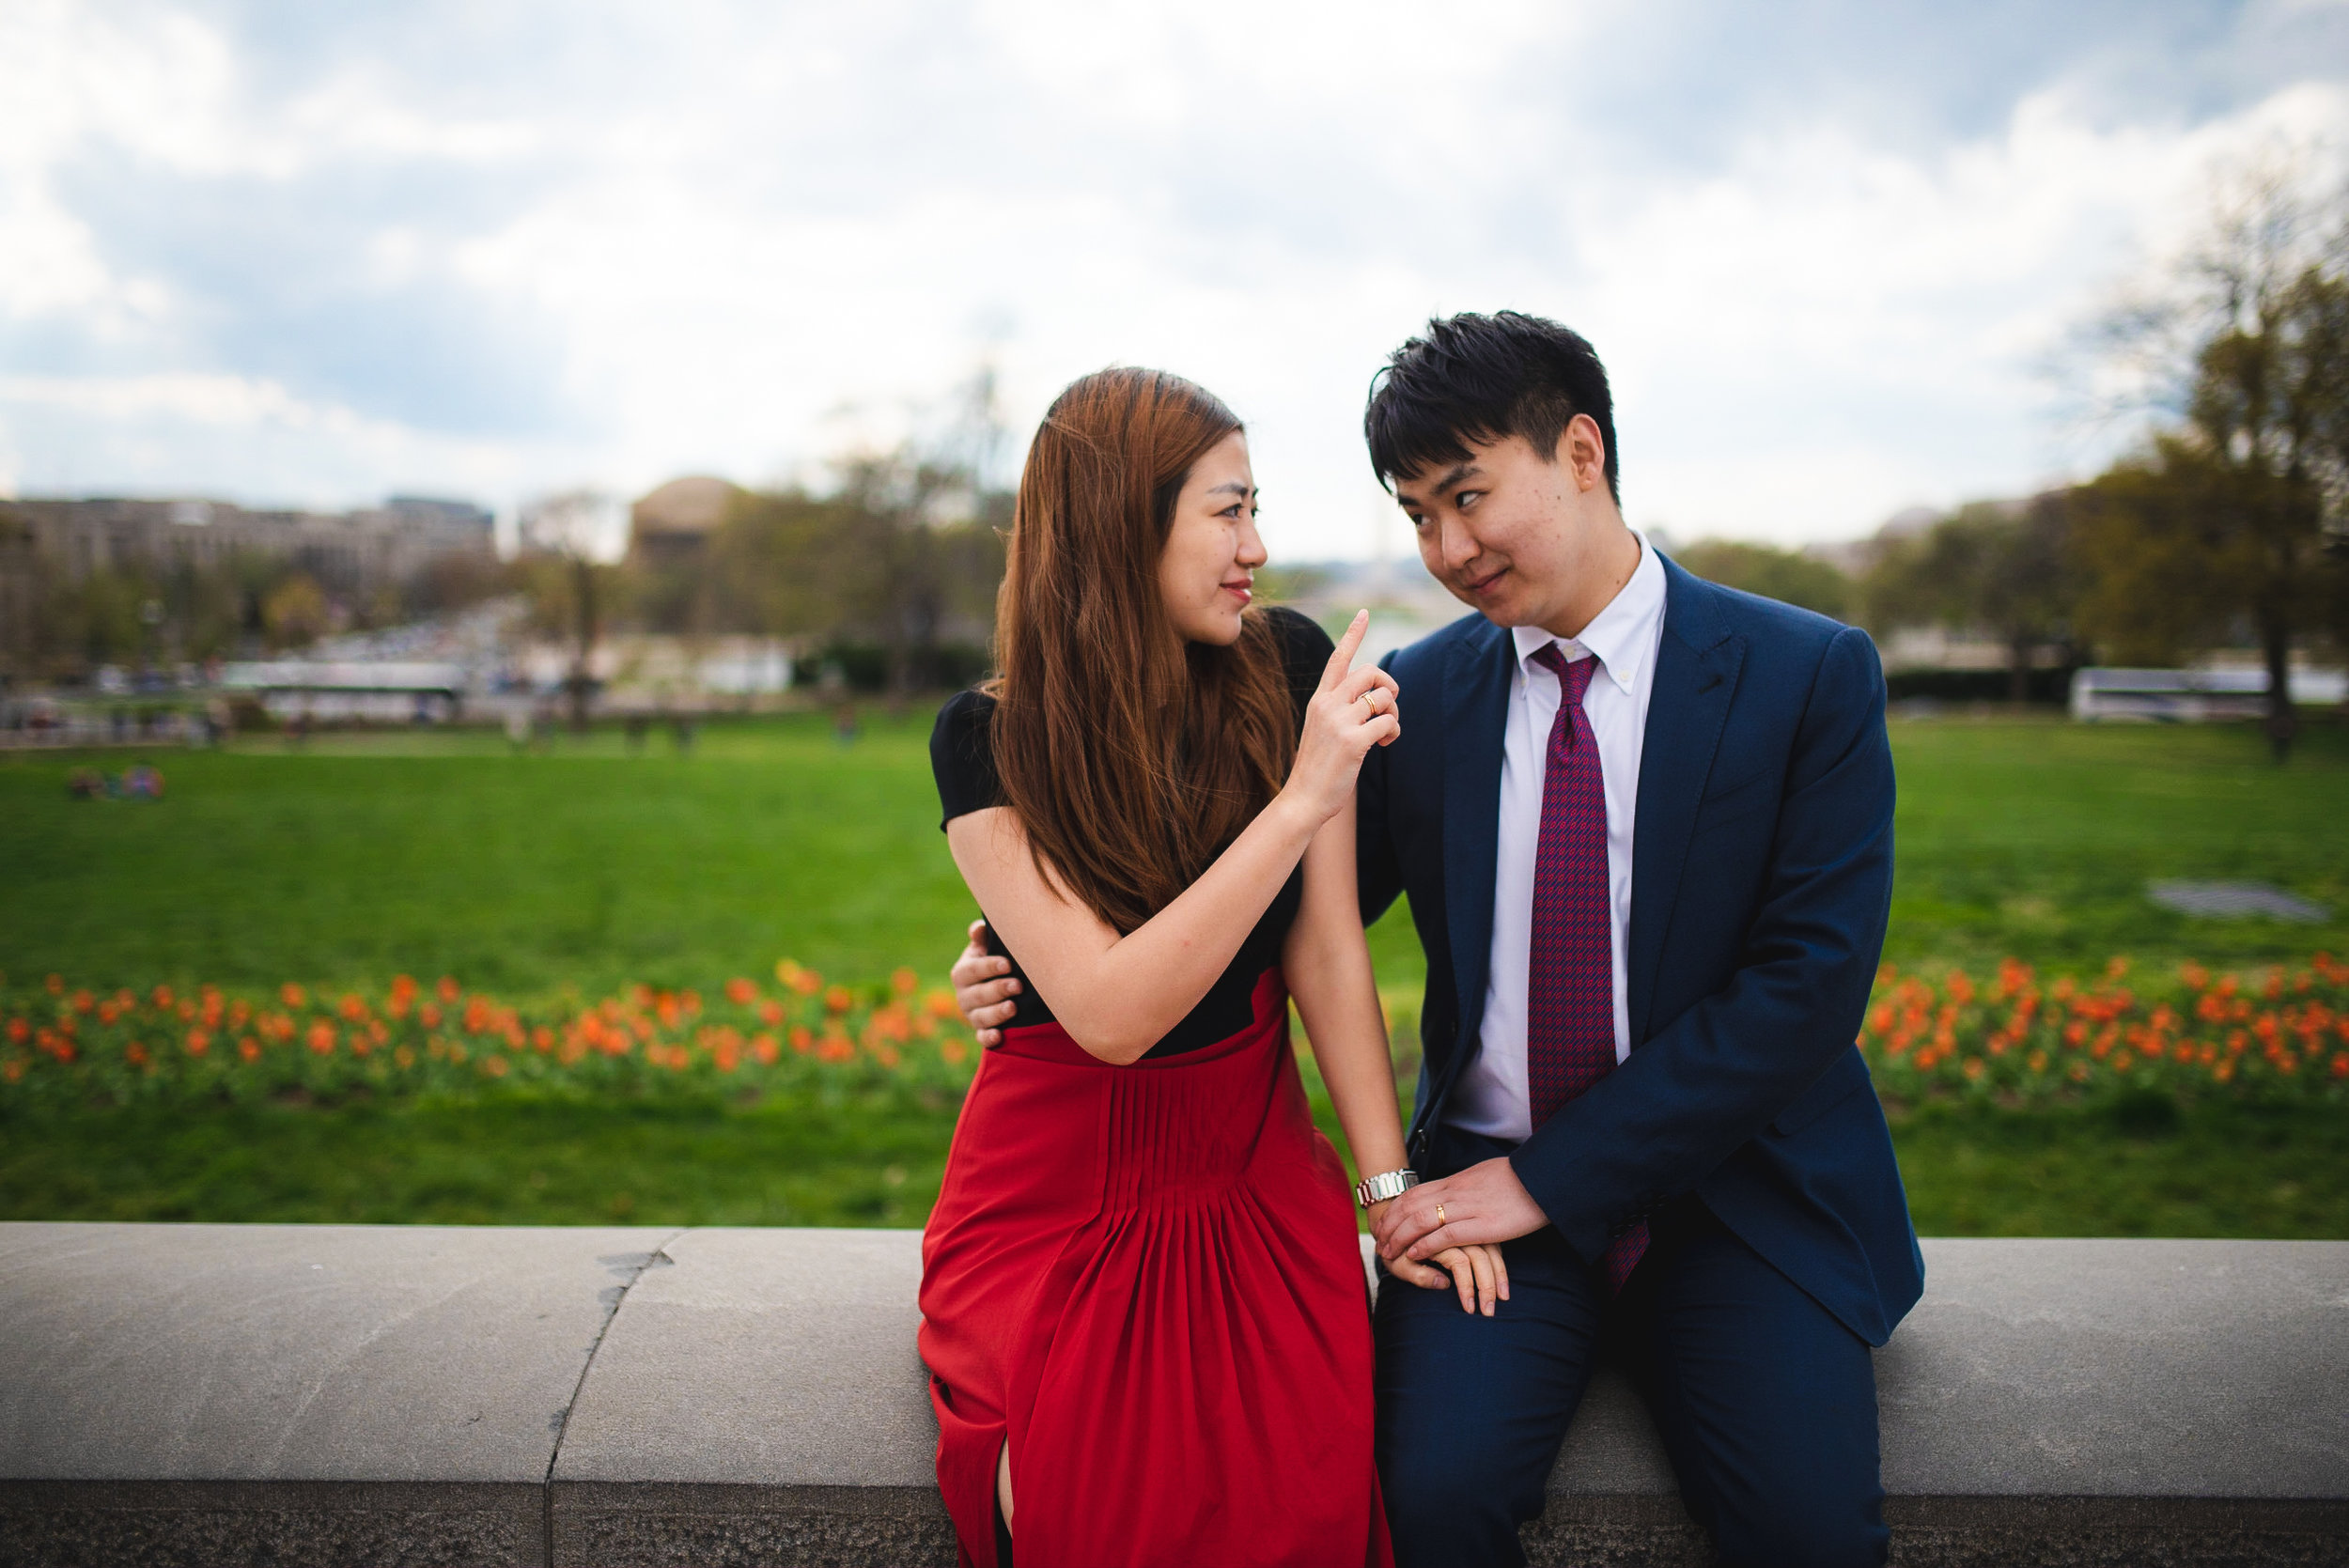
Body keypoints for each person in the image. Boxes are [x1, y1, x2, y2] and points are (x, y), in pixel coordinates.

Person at [957, 315, 1922, 1567]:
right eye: (1417, 515)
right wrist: (1019, 951)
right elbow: (1278, 920)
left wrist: (1543, 1182)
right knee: (1430, 1501)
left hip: (1735, 1201)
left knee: (1808, 1528)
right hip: (1478, 1202)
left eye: (1469, 499)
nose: (1448, 549)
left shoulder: (1807, 675)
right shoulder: (1429, 697)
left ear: (1580, 452)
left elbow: (1805, 994)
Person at [921, 366, 1504, 1568]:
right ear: (1121, 525)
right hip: (1053, 1190)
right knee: (1084, 1494)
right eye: (1227, 511)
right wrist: (1300, 800)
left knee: (1297, 1490)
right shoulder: (987, 735)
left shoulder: (1283, 665)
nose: (1256, 545)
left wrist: (1390, 1200)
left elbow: (1326, 952)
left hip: (1246, 1165)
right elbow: (1109, 1016)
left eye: (1254, 509)